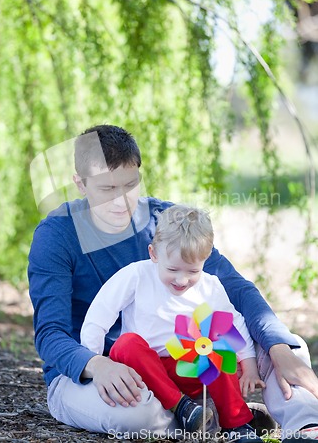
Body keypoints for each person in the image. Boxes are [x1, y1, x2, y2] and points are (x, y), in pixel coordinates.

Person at [28, 124, 318, 440]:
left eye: (129, 185)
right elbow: (50, 333)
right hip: (94, 372)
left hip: (180, 356)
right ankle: (214, 417)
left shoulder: (166, 221)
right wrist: (96, 364)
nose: (120, 202)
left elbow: (234, 288)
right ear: (80, 184)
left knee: (282, 343)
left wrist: (276, 344)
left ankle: (305, 424)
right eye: (106, 189)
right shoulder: (56, 235)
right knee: (135, 415)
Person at [80, 204, 266, 440]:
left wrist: (249, 366)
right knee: (126, 344)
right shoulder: (136, 276)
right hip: (144, 372)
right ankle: (183, 408)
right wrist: (95, 364)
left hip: (189, 368)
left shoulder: (210, 287)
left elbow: (231, 325)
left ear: (205, 260)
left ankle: (237, 424)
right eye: (173, 269)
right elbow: (99, 316)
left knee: (218, 354)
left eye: (192, 271)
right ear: (154, 253)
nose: (182, 279)